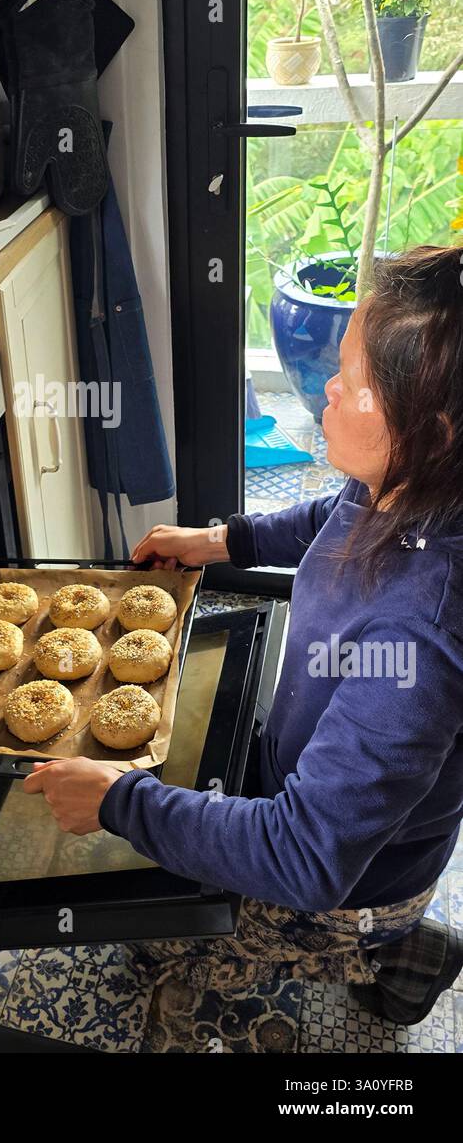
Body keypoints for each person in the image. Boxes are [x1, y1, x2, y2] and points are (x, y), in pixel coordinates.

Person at [24, 245, 463, 1024]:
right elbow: (333, 516)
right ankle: (384, 938)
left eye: (352, 382)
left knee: (147, 926)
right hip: (326, 791)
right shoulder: (406, 486)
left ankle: (395, 950)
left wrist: (121, 804)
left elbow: (305, 856)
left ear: (430, 431)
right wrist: (224, 540)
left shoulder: (420, 635)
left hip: (354, 882)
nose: (327, 387)